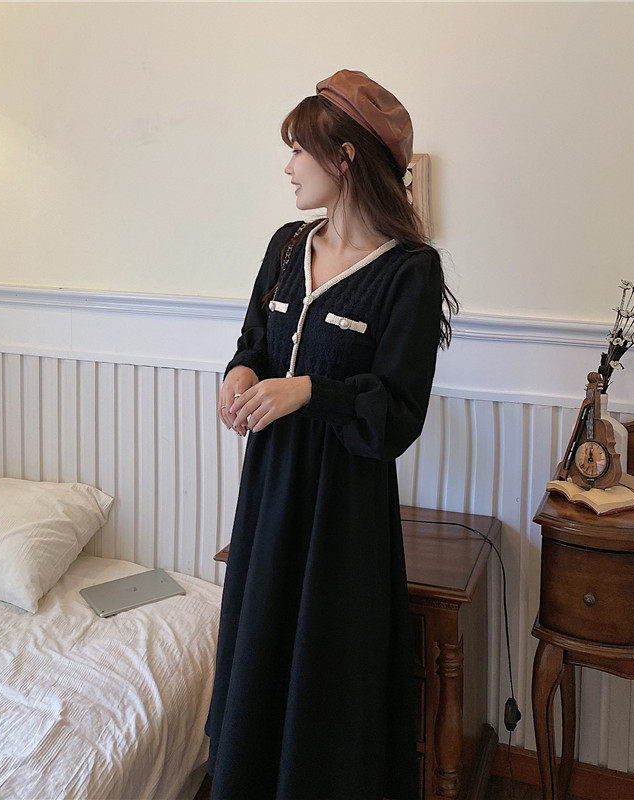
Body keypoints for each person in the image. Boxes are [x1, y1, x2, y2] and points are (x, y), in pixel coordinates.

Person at [203, 68, 459, 800]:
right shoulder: (287, 247)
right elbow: (254, 343)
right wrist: (240, 375)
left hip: (342, 515)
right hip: (269, 497)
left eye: (298, 151)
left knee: (327, 677)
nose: (288, 167)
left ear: (344, 158)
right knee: (259, 656)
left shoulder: (409, 271)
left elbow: (397, 413)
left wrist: (310, 391)